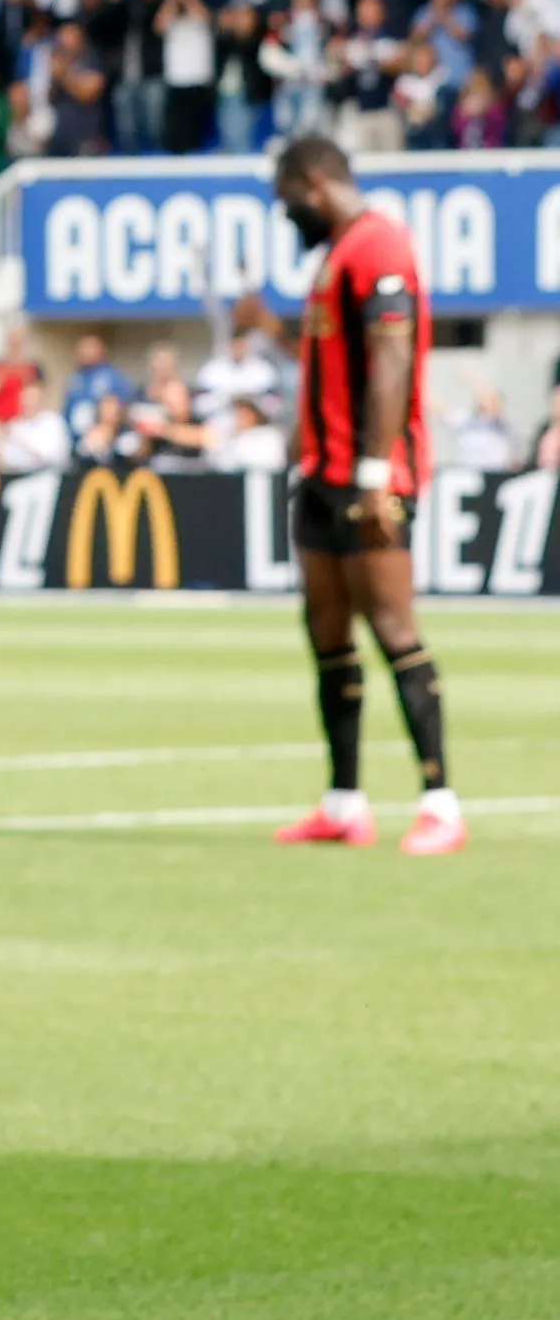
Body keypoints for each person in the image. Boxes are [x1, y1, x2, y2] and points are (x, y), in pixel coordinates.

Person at [270, 137, 464, 854]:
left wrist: (376, 473)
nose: (286, 214)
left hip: (367, 474)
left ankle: (440, 802)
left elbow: (389, 357)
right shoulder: (338, 254)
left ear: (315, 185)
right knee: (324, 631)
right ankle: (343, 801)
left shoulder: (378, 245)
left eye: (287, 199)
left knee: (392, 627)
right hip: (322, 472)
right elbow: (338, 355)